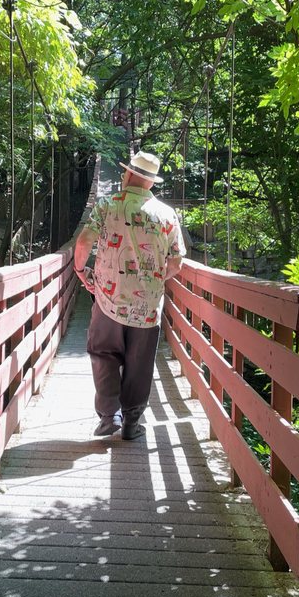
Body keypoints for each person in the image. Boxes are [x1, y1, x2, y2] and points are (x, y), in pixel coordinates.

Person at [74, 151, 186, 440]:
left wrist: (81, 271)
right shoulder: (167, 214)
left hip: (108, 301)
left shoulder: (108, 205)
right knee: (140, 362)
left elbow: (85, 241)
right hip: (147, 307)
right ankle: (132, 423)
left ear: (128, 174)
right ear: (150, 182)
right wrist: (154, 279)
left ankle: (108, 417)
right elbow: (176, 262)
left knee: (103, 353)